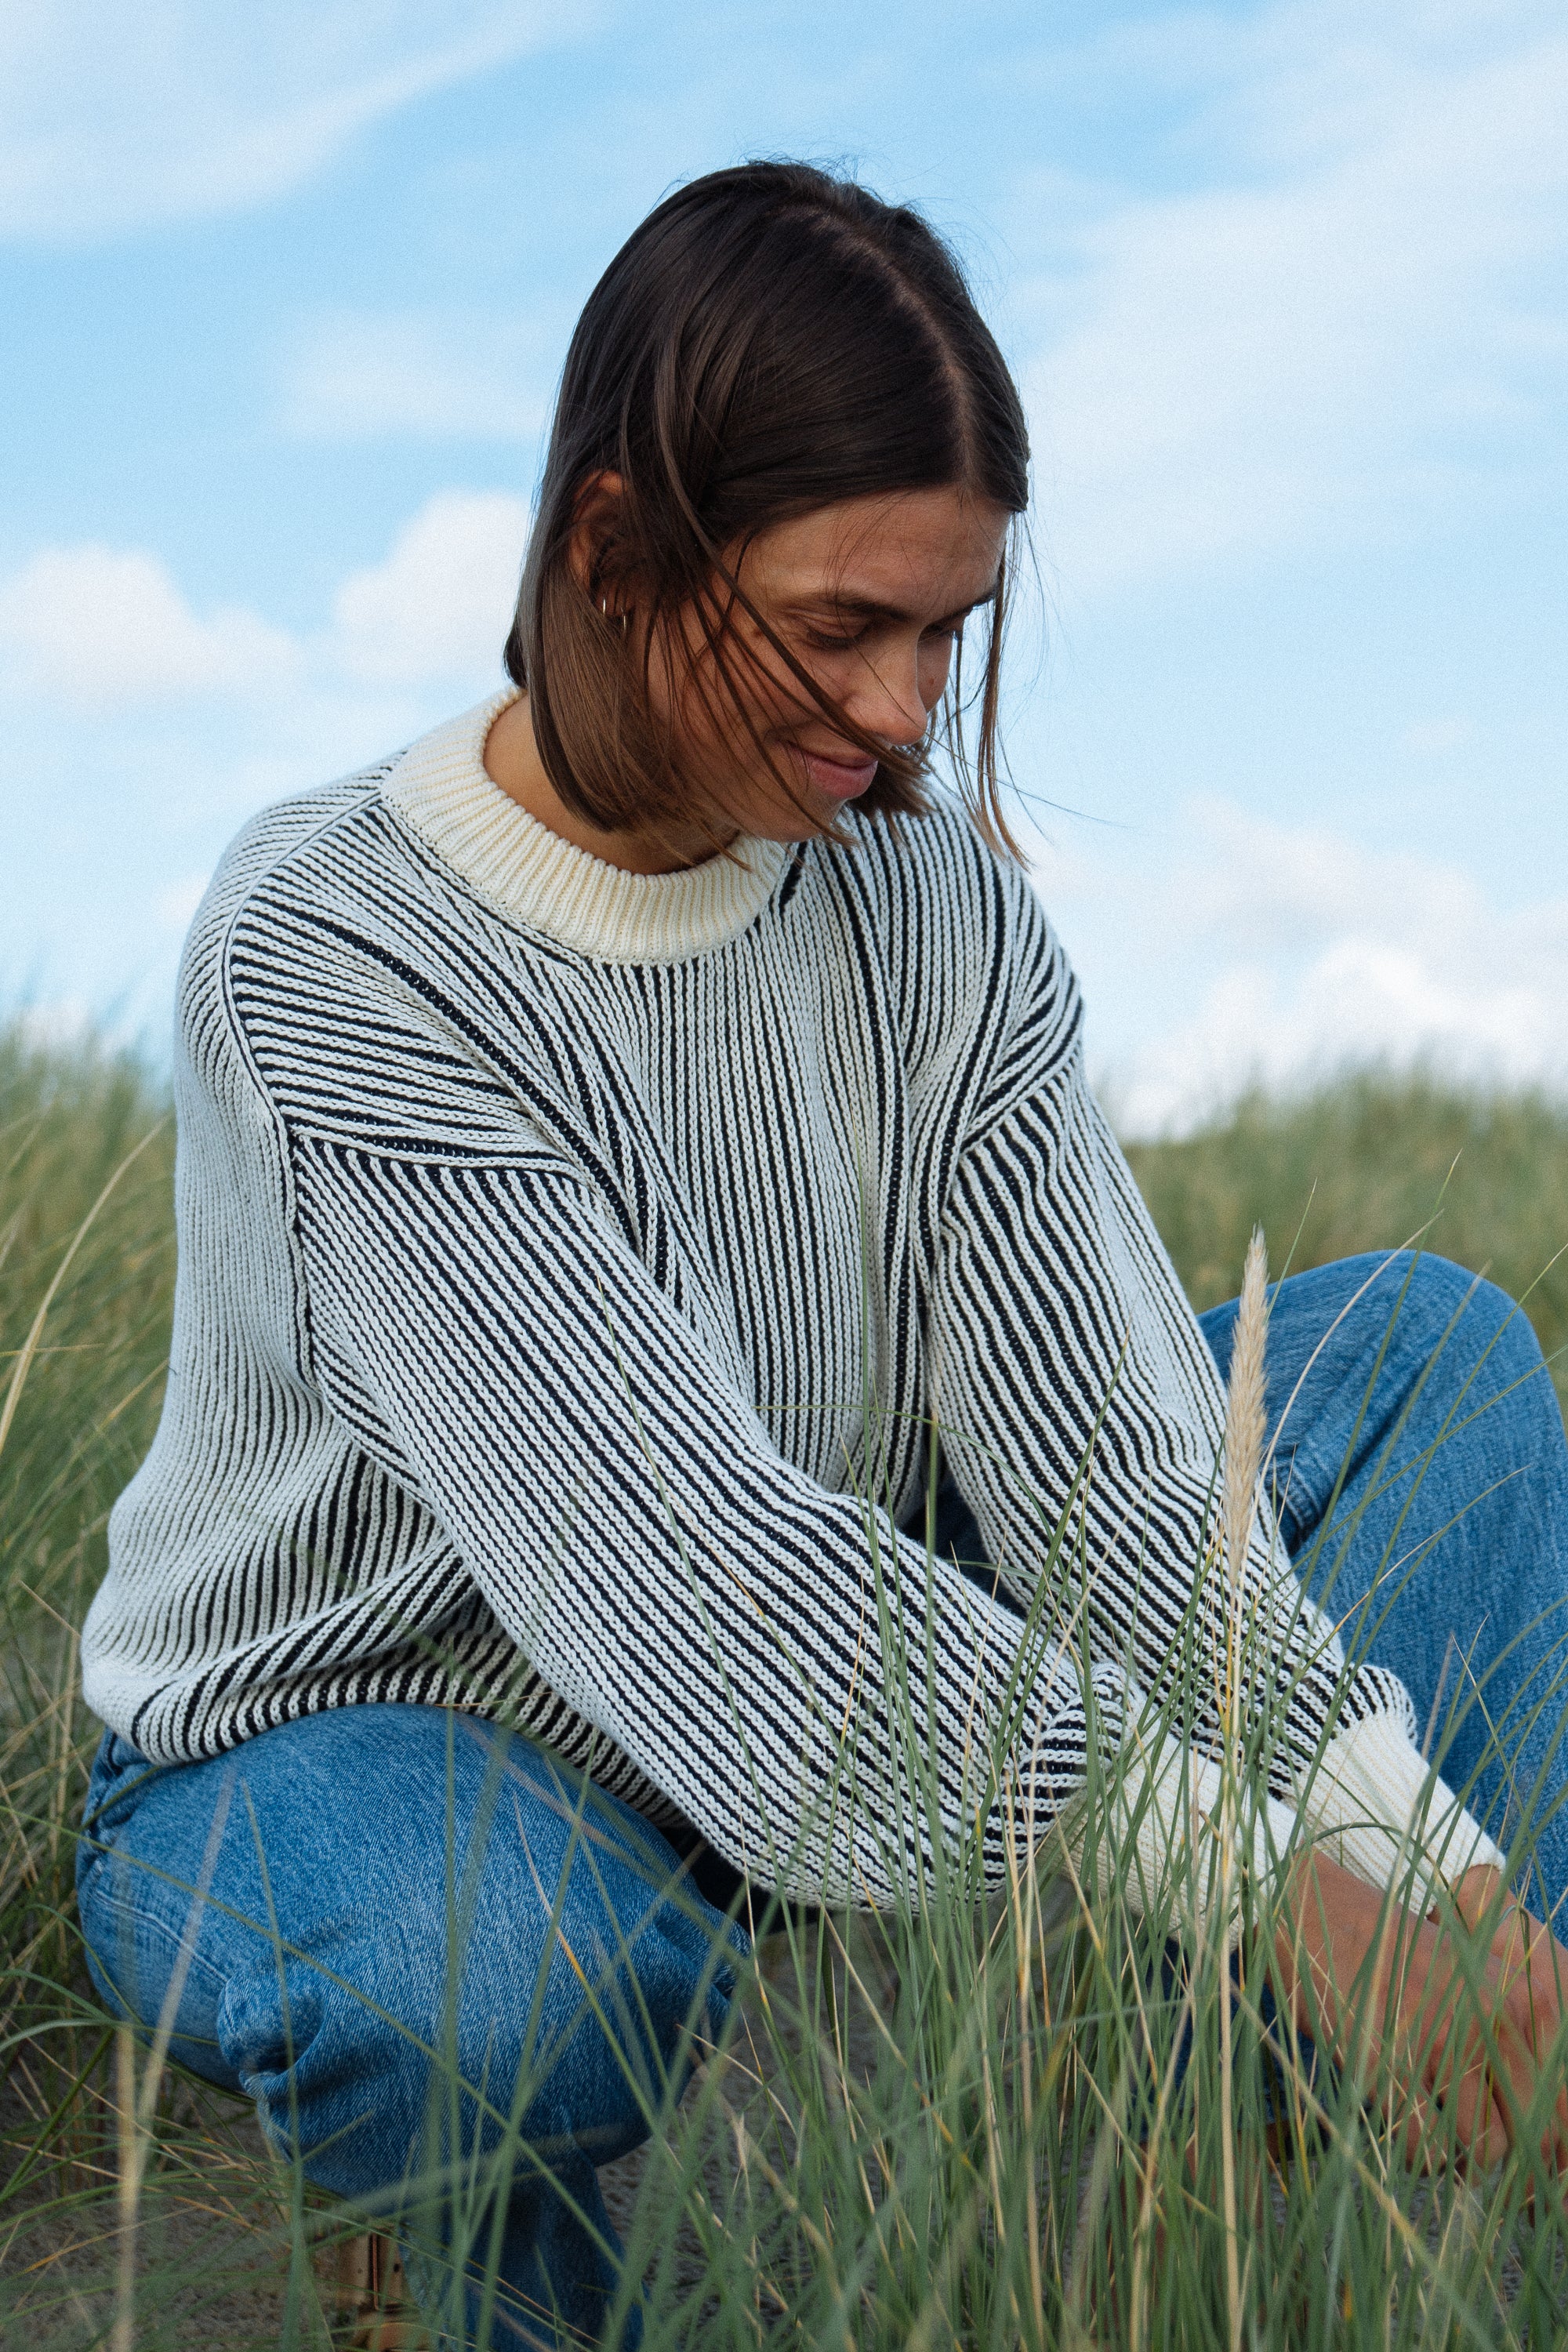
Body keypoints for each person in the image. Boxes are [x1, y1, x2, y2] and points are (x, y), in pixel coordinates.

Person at [76, 162, 1568, 2345]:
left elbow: (1109, 1471)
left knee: (1426, 1358)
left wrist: (1407, 1848)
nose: (904, 710)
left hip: (848, 1599)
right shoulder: (335, 948)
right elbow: (689, 1572)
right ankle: (460, 2258)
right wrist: (1260, 1879)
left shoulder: (935, 911)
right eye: (842, 624)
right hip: (378, 1731)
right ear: (610, 549)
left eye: (949, 628)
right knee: (504, 1975)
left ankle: (1278, 2186)